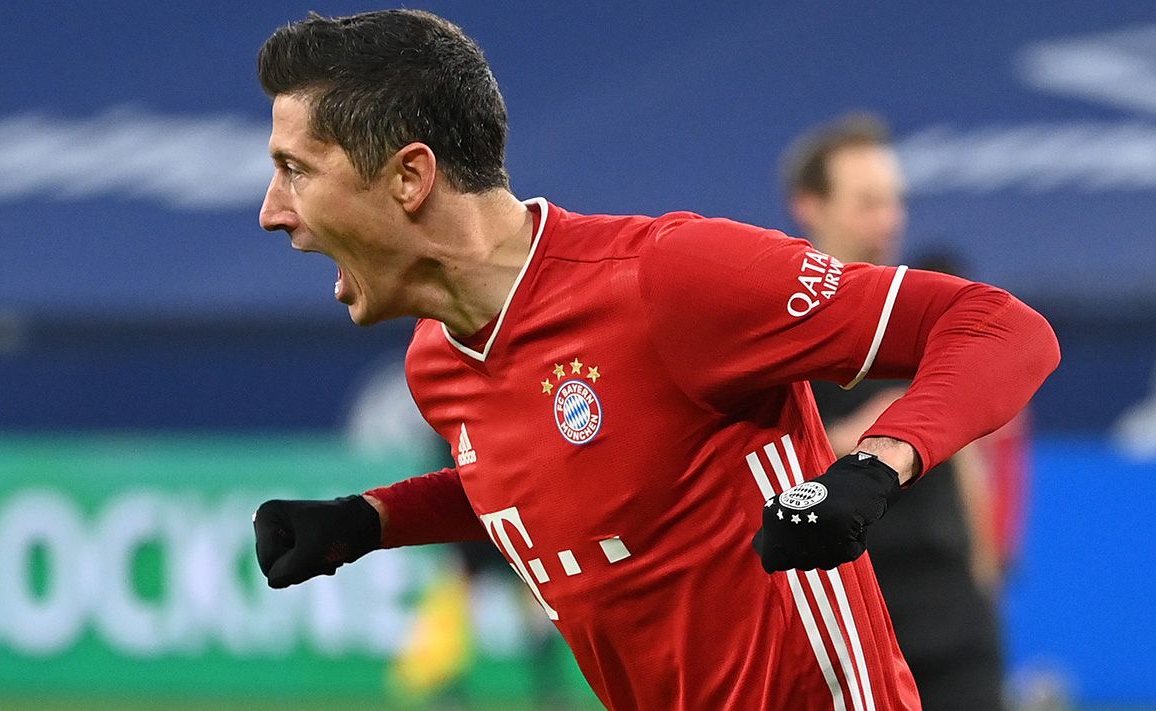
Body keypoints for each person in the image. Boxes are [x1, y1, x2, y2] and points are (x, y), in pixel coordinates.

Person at [250, 11, 1060, 711]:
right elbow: (559, 472)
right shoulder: (438, 359)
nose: (270, 212)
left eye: (295, 169)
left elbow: (1001, 327)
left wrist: (877, 462)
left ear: (411, 177)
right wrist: (374, 519)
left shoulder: (671, 279)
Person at [781, 114, 1021, 711]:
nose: (889, 221)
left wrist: (981, 584)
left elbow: (967, 464)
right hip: (849, 622)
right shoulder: (778, 331)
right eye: (867, 203)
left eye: (894, 202)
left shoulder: (925, 311)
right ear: (810, 205)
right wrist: (861, 438)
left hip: (952, 617)